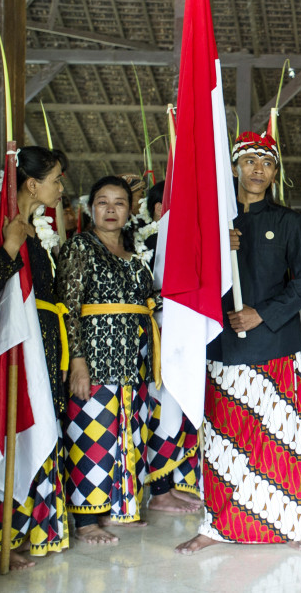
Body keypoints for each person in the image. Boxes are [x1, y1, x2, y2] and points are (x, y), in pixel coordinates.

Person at [175, 131, 301, 554]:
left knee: (278, 437)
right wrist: (217, 248)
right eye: (251, 161)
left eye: (267, 163)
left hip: (274, 343)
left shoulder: (289, 221)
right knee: (222, 440)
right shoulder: (213, 222)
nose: (259, 169)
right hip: (222, 344)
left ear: (275, 173)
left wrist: (263, 313)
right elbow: (187, 276)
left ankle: (292, 522)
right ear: (234, 166)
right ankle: (216, 526)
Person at [0, 147, 69, 570]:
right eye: (56, 179)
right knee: (6, 432)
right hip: (8, 350)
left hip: (43, 349)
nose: (61, 189)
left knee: (39, 431)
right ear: (32, 183)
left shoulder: (38, 228)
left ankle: (32, 530)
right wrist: (10, 248)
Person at [57, 175, 159, 545]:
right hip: (95, 360)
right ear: (90, 208)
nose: (111, 209)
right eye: (103, 202)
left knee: (125, 437)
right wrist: (77, 361)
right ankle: (86, 521)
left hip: (134, 363)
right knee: (91, 438)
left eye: (119, 202)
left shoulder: (134, 257)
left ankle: (118, 509)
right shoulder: (80, 248)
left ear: (130, 210)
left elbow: (153, 303)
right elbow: (68, 308)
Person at [140, 180, 203, 514]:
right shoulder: (147, 244)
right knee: (164, 411)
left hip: (186, 339)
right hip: (159, 339)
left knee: (185, 410)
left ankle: (178, 481)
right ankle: (160, 489)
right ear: (157, 211)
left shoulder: (189, 242)